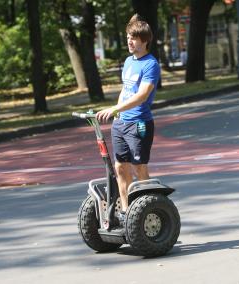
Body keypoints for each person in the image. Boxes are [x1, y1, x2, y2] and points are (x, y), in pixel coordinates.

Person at [96, 14, 160, 222]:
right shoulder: (128, 62)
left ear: (144, 40)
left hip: (139, 123)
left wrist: (115, 108)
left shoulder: (150, 64)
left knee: (139, 167)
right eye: (128, 37)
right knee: (120, 167)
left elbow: (141, 96)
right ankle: (126, 212)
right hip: (121, 122)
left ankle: (148, 211)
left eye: (133, 38)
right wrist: (118, 114)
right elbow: (126, 91)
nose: (129, 41)